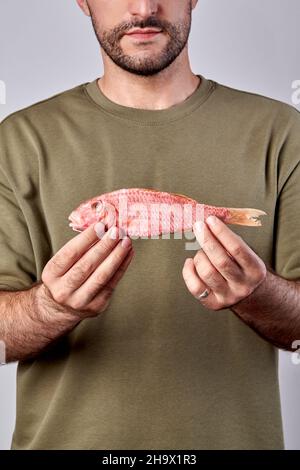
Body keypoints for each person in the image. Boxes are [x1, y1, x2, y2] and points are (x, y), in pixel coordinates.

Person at [0, 0, 299, 450]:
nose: (143, 8)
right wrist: (50, 307)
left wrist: (259, 296)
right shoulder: (18, 140)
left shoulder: (282, 131)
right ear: (83, 1)